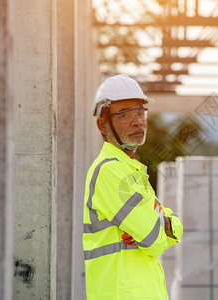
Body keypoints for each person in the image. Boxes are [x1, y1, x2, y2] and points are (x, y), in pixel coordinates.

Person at [82, 74, 183, 300]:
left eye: (140, 112)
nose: (137, 121)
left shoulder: (133, 171)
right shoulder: (109, 171)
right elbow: (153, 239)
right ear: (102, 124)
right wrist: (160, 223)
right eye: (125, 114)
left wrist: (163, 223)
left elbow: (174, 229)